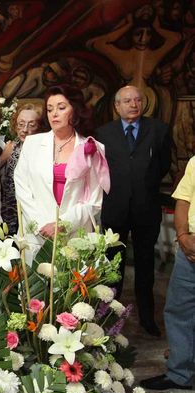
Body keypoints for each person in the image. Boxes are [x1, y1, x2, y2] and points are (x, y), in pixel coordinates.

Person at [94, 85, 172, 337]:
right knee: (113, 268)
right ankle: (109, 318)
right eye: (127, 101)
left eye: (138, 100)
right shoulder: (103, 133)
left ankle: (147, 318)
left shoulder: (158, 129)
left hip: (146, 208)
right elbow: (100, 169)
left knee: (145, 266)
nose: (133, 104)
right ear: (117, 106)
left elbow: (163, 165)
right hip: (115, 209)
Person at [14, 84, 110, 256]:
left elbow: (94, 201)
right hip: (37, 234)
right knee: (37, 273)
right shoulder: (32, 143)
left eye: (61, 107)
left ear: (75, 110)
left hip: (75, 234)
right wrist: (41, 225)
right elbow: (22, 188)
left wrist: (62, 224)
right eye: (50, 109)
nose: (54, 114)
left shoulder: (91, 147)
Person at [140, 156, 195, 391]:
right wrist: (182, 236)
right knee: (179, 309)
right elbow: (183, 201)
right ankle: (180, 373)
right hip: (190, 251)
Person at [0, 103, 42, 234]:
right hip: (9, 209)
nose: (25, 129)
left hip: (33, 209)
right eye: (21, 124)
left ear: (40, 126)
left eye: (31, 125)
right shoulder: (11, 146)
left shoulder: (43, 148)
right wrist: (3, 157)